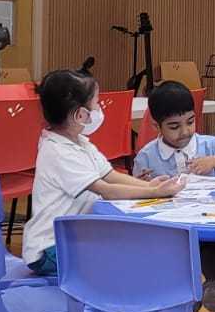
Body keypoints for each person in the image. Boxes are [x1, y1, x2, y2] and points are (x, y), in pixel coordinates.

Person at [22, 69, 183, 277]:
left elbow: (110, 175)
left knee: (130, 245)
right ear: (80, 115)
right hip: (50, 248)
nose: (99, 109)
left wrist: (151, 186)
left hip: (72, 238)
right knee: (128, 252)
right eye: (96, 104)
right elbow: (106, 190)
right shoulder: (58, 152)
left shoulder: (79, 143)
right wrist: (155, 193)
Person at [133, 80, 215, 312]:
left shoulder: (209, 145)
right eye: (174, 126)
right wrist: (145, 185)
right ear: (156, 126)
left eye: (190, 122)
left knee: (213, 239)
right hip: (170, 228)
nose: (185, 131)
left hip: (208, 222)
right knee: (176, 246)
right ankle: (190, 295)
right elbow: (138, 193)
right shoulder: (147, 156)